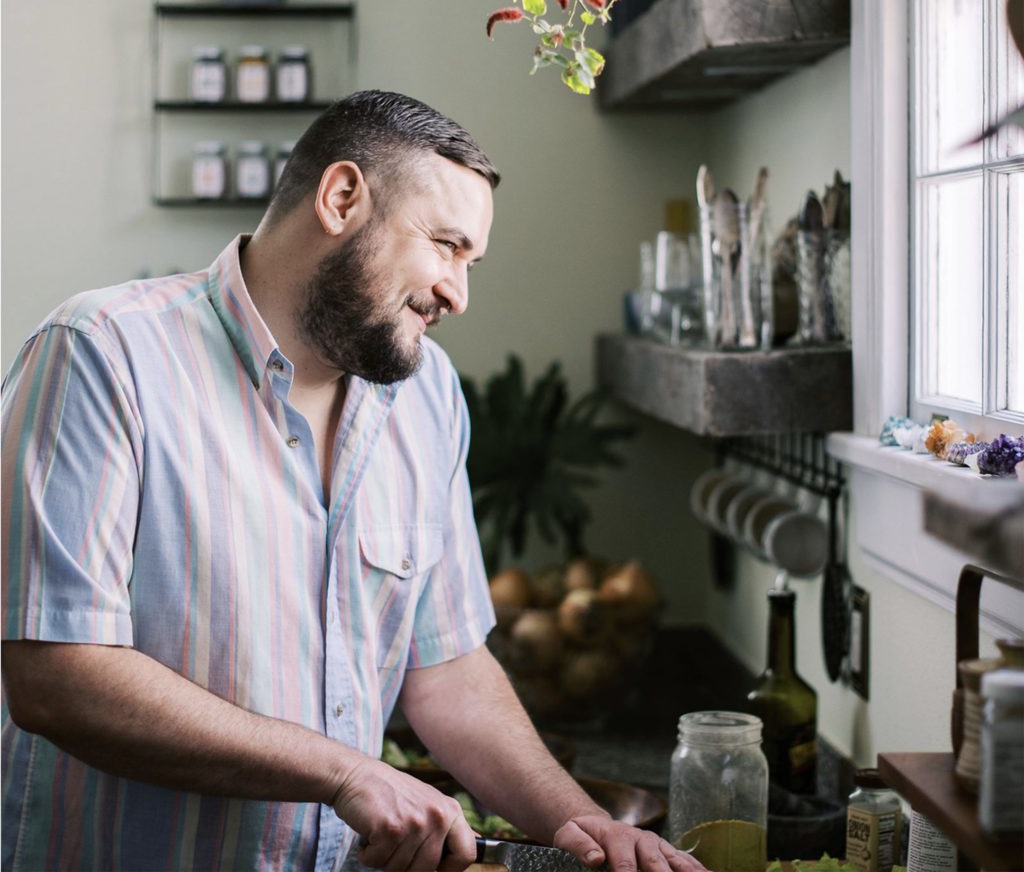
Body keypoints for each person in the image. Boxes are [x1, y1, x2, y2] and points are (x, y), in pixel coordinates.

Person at [1, 90, 706, 872]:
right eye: (445, 245)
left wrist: (583, 822)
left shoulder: (427, 393)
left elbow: (446, 668)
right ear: (341, 198)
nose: (458, 294)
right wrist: (343, 770)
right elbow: (55, 675)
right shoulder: (102, 355)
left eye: (470, 263)